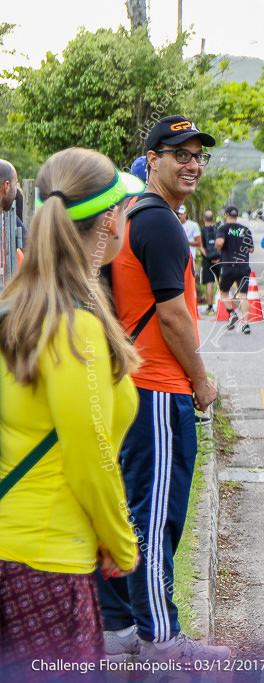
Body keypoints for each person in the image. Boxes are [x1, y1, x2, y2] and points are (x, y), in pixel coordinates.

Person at [0, 148, 143, 672]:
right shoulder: (75, 326)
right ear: (109, 221)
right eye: (125, 207)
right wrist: (120, 542)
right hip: (48, 564)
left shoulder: (17, 310)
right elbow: (91, 454)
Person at [98, 116, 225, 661]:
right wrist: (200, 380)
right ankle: (161, 640)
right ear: (151, 160)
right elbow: (173, 315)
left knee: (128, 511)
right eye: (180, 154)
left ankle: (120, 627)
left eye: (199, 156)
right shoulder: (160, 222)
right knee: (155, 516)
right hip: (157, 386)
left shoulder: (131, 216)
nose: (192, 164)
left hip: (132, 384)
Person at [215, 205, 254, 334]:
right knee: (243, 296)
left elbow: (220, 242)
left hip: (228, 266)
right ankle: (246, 324)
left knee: (223, 291)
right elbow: (251, 249)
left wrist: (219, 247)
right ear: (237, 215)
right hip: (243, 266)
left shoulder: (224, 228)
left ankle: (232, 313)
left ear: (226, 215)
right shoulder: (246, 230)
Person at [199, 210, 220, 314]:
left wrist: (208, 256)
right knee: (222, 282)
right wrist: (219, 257)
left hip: (207, 260)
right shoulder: (218, 229)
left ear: (204, 219)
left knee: (209, 283)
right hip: (219, 259)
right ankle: (225, 307)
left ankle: (210, 307)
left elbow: (201, 246)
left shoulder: (202, 231)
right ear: (213, 219)